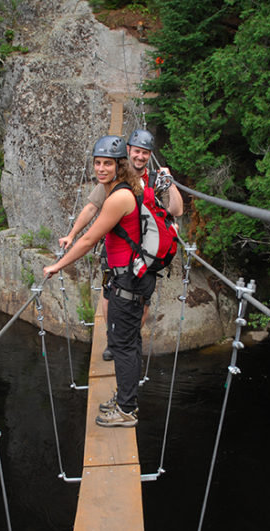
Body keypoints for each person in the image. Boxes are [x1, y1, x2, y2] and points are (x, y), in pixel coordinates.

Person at [44, 135, 156, 427]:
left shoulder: (119, 197)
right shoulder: (122, 189)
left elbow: (90, 239)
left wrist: (58, 265)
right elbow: (91, 221)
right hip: (129, 279)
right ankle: (124, 400)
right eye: (97, 163)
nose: (101, 168)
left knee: (123, 347)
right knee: (126, 344)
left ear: (121, 165)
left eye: (108, 163)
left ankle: (126, 411)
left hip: (128, 283)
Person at [58, 129, 183, 360]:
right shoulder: (114, 180)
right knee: (108, 293)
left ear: (149, 155)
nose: (141, 157)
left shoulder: (156, 181)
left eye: (145, 153)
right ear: (128, 152)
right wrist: (72, 234)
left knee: (142, 300)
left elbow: (176, 211)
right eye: (137, 151)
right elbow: (91, 207)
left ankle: (128, 337)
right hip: (116, 249)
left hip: (145, 253)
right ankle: (112, 338)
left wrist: (170, 183)